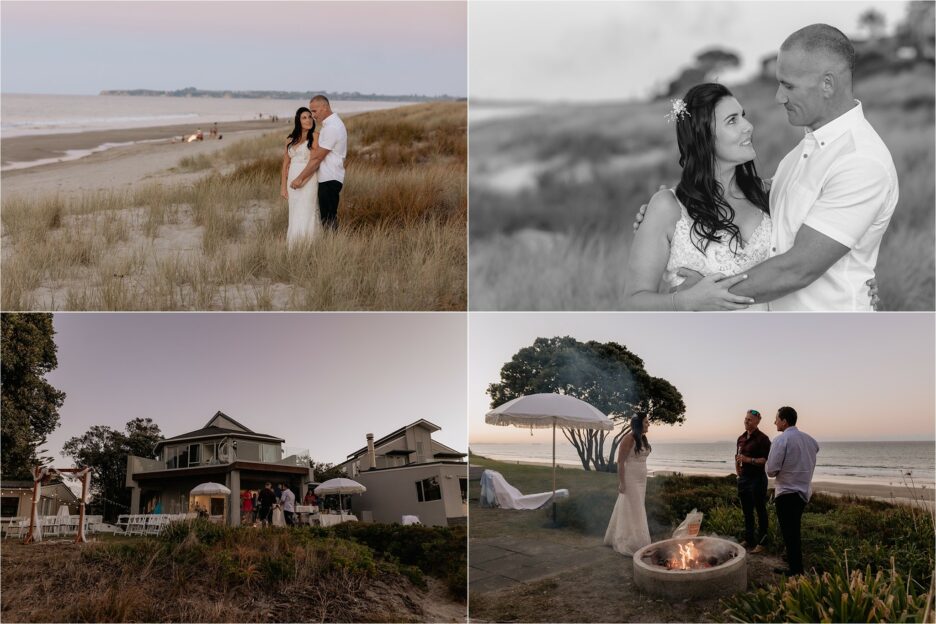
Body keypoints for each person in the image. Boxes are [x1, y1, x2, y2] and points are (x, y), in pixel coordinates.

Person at [633, 24, 894, 310]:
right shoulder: (796, 159)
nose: (779, 97)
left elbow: (798, 269)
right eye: (732, 120)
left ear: (827, 84)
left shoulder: (860, 160)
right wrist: (663, 212)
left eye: (789, 85)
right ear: (702, 136)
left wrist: (706, 295)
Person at [624, 83, 770, 311]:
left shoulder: (769, 194)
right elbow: (633, 302)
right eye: (732, 120)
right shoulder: (667, 207)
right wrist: (684, 301)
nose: (748, 126)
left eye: (743, 116)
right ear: (703, 136)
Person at [766, 406, 819, 576]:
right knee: (793, 531)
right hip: (803, 493)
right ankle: (794, 563)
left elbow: (771, 470)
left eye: (776, 419)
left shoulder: (781, 440)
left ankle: (796, 571)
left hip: (786, 493)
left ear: (784, 421)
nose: (774, 422)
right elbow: (815, 450)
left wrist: (768, 464)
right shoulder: (810, 440)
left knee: (790, 533)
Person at [290, 95, 347, 230]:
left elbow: (317, 159)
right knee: (327, 218)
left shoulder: (332, 127)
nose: (313, 115)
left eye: (314, 111)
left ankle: (332, 247)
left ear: (325, 107)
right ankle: (331, 246)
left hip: (330, 178)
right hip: (328, 177)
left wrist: (299, 178)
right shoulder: (330, 125)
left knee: (328, 219)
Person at [604, 415, 652, 556]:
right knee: (634, 508)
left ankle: (632, 537)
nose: (648, 424)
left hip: (642, 478)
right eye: (646, 422)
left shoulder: (642, 439)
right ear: (639, 424)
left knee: (636, 507)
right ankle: (633, 542)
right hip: (630, 478)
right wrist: (622, 482)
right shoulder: (628, 438)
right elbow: (620, 462)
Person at [280, 107, 320, 247]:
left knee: (308, 211)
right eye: (304, 117)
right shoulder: (289, 140)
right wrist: (283, 187)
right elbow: (285, 165)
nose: (308, 120)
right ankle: (294, 246)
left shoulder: (315, 136)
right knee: (295, 212)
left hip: (308, 180)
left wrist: (302, 180)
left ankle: (309, 246)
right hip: (292, 183)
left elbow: (314, 163)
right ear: (298, 120)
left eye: (310, 117)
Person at [735, 409, 771, 553]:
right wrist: (738, 473)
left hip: (758, 479)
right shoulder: (741, 438)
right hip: (744, 479)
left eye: (749, 419)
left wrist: (748, 460)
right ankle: (749, 539)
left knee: (760, 511)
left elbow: (765, 460)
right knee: (747, 511)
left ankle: (762, 543)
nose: (746, 421)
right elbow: (737, 456)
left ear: (757, 421)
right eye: (745, 419)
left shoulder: (763, 439)